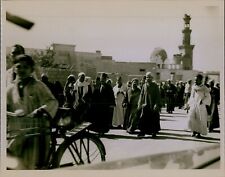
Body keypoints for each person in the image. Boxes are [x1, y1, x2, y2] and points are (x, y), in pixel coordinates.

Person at [7, 54, 58, 169]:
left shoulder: (38, 85)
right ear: (14, 68)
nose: (22, 70)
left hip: (36, 128)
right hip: (17, 128)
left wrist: (41, 110)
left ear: (31, 70)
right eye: (19, 67)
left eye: (25, 67)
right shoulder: (11, 88)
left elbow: (52, 101)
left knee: (32, 162)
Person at [137, 72, 161, 137]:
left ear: (152, 78)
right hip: (145, 105)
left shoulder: (155, 86)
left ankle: (154, 132)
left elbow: (157, 96)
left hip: (153, 105)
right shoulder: (144, 85)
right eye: (147, 77)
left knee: (153, 119)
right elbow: (141, 95)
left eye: (149, 77)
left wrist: (156, 104)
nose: (148, 78)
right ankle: (142, 132)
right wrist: (139, 103)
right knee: (143, 118)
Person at [187, 74, 211, 138]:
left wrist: (202, 101)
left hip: (201, 106)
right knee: (192, 118)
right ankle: (194, 131)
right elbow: (192, 96)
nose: (195, 81)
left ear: (200, 80)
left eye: (197, 79)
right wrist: (189, 104)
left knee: (200, 119)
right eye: (195, 80)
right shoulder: (193, 87)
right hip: (194, 104)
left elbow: (208, 97)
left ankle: (199, 133)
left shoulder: (204, 88)